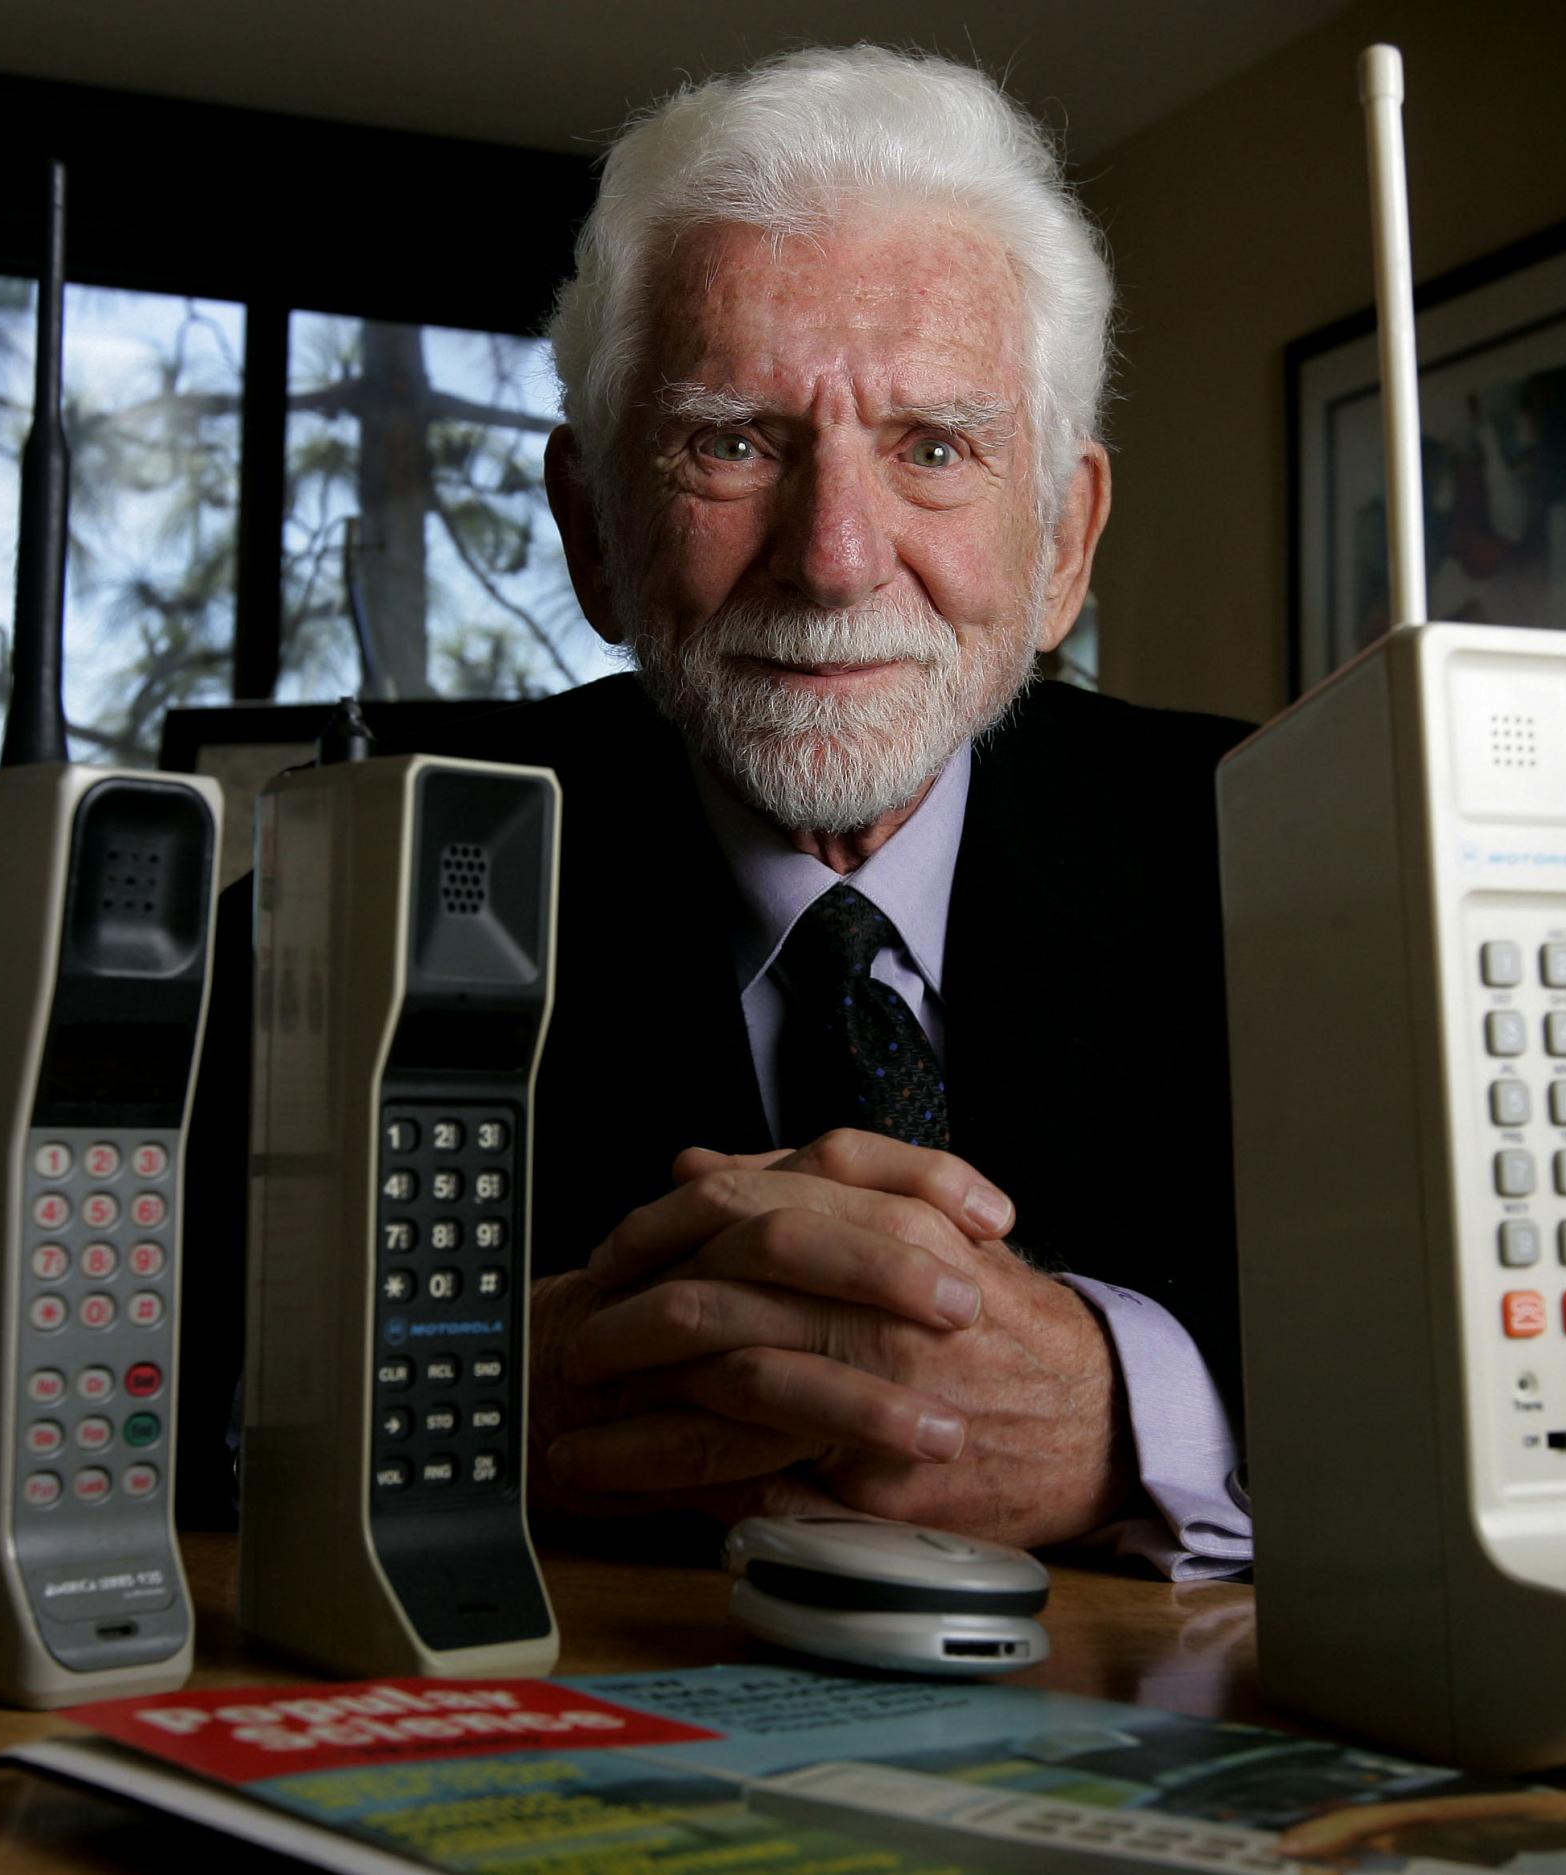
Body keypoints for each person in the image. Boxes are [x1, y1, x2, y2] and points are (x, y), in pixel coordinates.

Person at [443, 45, 1254, 1573]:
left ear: (1065, 542)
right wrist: (447, 1397)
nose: (835, 556)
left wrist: (1137, 1419)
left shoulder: (1288, 852)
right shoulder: (397, 867)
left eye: (933, 447)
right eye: (734, 444)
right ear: (593, 531)